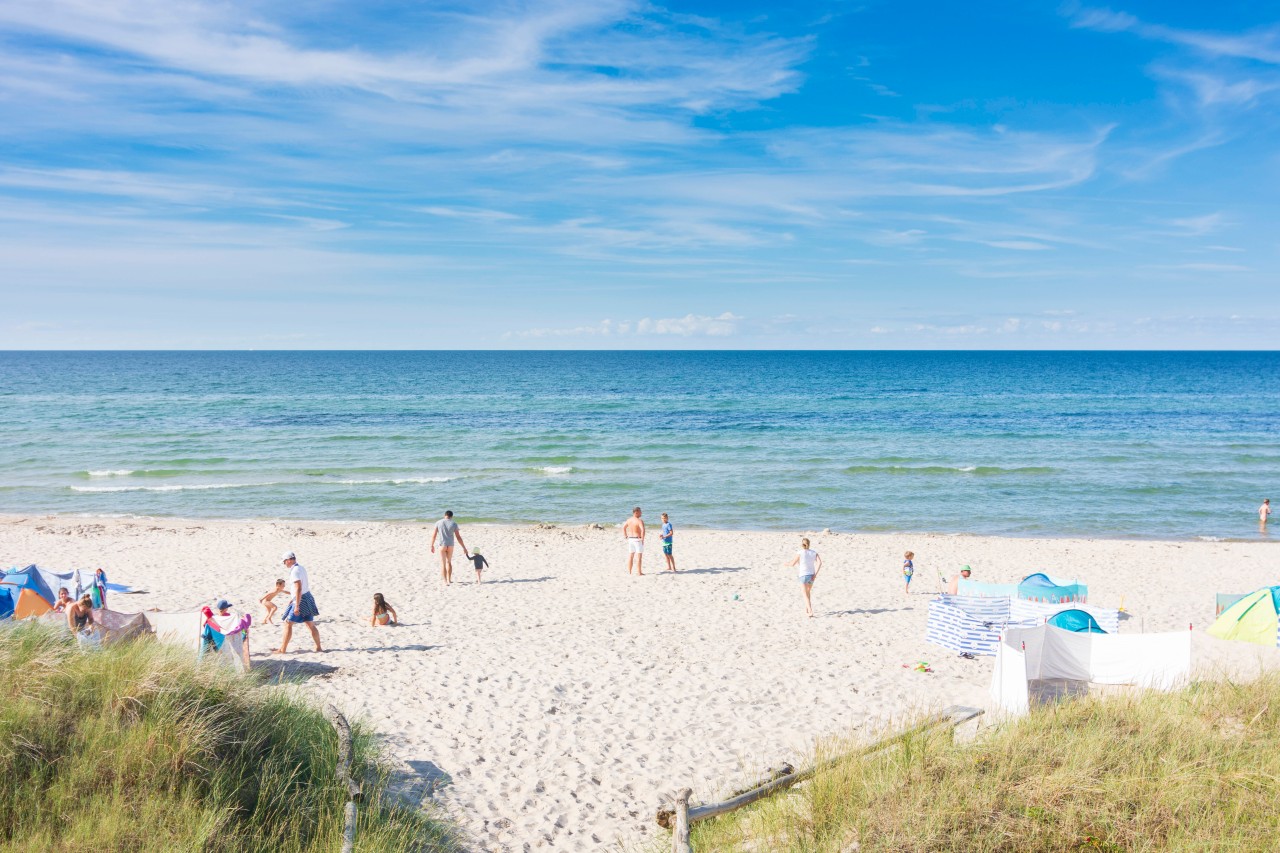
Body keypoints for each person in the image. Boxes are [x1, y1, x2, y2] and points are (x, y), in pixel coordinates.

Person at [276, 551, 322, 653]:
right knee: (310, 624)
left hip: (301, 599)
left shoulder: (295, 571)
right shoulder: (301, 568)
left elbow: (298, 588)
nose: (284, 564)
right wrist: (292, 599)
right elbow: (299, 588)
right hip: (307, 597)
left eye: (284, 562)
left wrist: (296, 605)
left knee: (288, 624)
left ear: (289, 560)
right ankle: (318, 647)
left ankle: (282, 649)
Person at [785, 537, 822, 617]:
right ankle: (807, 609)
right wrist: (815, 574)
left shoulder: (800, 552)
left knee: (805, 594)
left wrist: (786, 564)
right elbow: (819, 563)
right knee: (808, 593)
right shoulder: (814, 552)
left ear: (802, 544)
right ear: (809, 544)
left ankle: (810, 611)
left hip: (803, 576)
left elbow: (792, 564)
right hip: (811, 576)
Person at [430, 511, 469, 586]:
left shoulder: (438, 522)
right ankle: (449, 579)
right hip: (450, 545)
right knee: (449, 562)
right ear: (451, 516)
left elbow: (434, 535)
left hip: (442, 545)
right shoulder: (454, 523)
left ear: (444, 515)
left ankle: (445, 581)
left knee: (443, 564)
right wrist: (464, 548)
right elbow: (458, 537)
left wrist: (431, 545)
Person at [623, 506, 645, 575]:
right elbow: (643, 530)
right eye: (640, 511)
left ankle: (630, 572)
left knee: (631, 556)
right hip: (637, 540)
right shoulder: (639, 521)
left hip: (630, 539)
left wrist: (625, 535)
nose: (641, 513)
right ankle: (639, 572)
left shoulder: (629, 520)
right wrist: (642, 539)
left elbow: (624, 527)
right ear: (636, 512)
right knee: (639, 557)